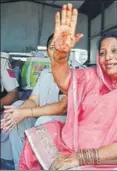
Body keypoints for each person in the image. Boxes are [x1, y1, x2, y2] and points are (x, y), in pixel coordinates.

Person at [19, 3, 117, 170]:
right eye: (102, 53)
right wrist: (60, 57)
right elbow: (65, 82)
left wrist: (81, 158)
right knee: (39, 136)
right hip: (80, 144)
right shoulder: (94, 77)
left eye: (115, 51)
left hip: (116, 158)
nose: (108, 57)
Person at [1, 34, 67, 169]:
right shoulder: (45, 74)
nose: (56, 51)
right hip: (41, 118)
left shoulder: (75, 74)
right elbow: (33, 100)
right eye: (52, 47)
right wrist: (19, 112)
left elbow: (62, 107)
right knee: (16, 110)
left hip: (62, 124)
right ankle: (22, 165)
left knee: (44, 120)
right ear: (48, 51)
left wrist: (28, 112)